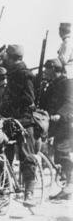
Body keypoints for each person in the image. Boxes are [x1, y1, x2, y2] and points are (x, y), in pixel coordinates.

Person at [2, 44, 39, 206]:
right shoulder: (12, 74)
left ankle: (29, 191)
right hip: (10, 121)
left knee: (26, 156)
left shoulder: (24, 75)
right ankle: (3, 191)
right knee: (3, 156)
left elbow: (29, 99)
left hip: (23, 121)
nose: (4, 60)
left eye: (6, 57)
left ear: (11, 58)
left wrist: (9, 103)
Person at [41, 59, 73, 200]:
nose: (44, 71)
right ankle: (66, 185)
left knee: (63, 153)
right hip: (54, 124)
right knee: (58, 155)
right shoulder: (51, 84)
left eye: (46, 68)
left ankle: (69, 186)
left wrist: (59, 114)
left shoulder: (66, 83)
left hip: (65, 124)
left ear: (53, 68)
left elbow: (69, 102)